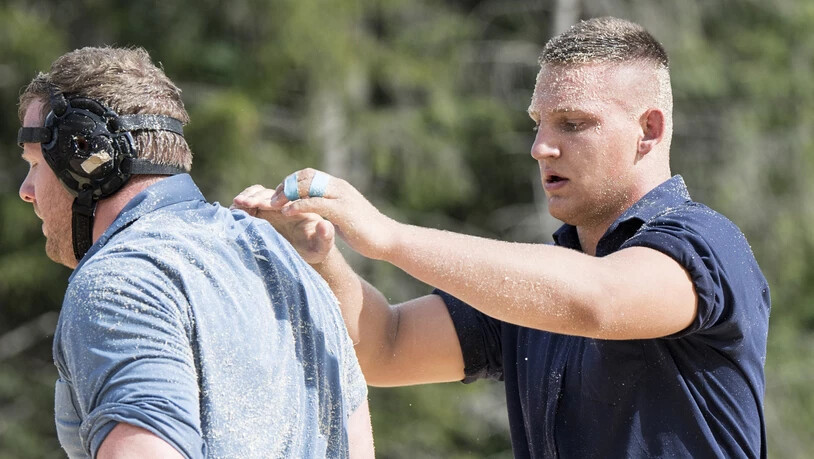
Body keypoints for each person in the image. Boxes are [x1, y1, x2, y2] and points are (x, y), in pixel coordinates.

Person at [233, 17, 770, 458]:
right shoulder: (541, 280)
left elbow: (600, 301)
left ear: (648, 130)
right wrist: (322, 258)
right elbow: (385, 348)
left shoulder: (704, 241)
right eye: (538, 123)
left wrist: (389, 238)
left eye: (573, 124)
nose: (541, 147)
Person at [17, 47, 373, 459]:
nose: (26, 191)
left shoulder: (120, 284)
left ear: (87, 161)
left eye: (36, 164)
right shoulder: (286, 260)